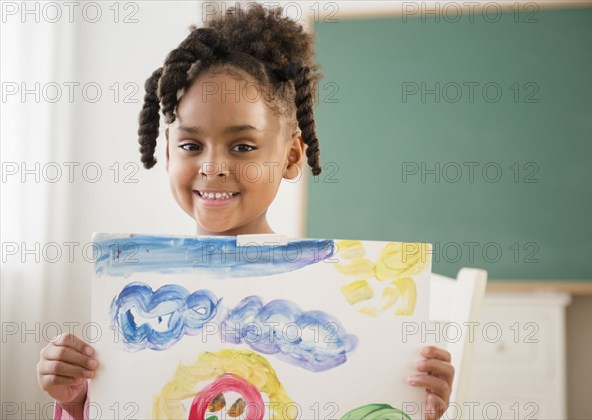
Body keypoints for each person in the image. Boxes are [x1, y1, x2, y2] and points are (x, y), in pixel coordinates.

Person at [37, 3, 455, 419]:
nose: (213, 166)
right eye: (190, 145)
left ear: (291, 156)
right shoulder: (130, 291)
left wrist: (413, 407)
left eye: (242, 146)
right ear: (167, 151)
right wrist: (77, 403)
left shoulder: (329, 288)